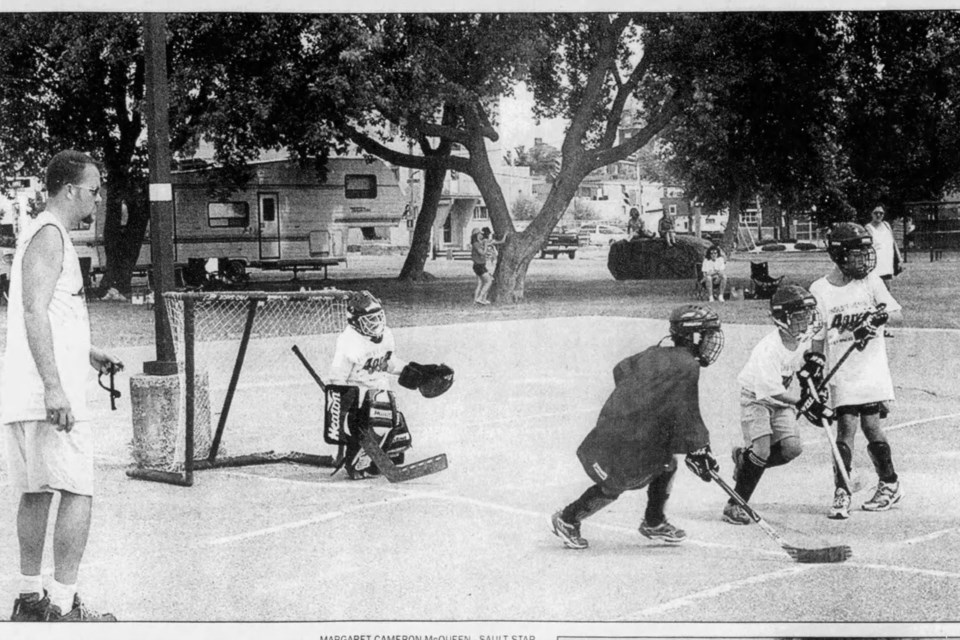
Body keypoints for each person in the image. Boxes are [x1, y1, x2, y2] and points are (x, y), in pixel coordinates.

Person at [2, 150, 123, 622]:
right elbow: (33, 310)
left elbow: (47, 314)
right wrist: (55, 387)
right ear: (70, 189)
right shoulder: (51, 235)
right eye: (93, 190)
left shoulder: (38, 233)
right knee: (78, 491)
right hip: (48, 394)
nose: (97, 198)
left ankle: (31, 599)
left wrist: (85, 352)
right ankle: (64, 604)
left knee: (35, 492)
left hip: (26, 391)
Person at [550, 305, 724, 549]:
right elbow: (687, 412)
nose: (710, 341)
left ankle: (654, 522)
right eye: (706, 335)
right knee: (617, 482)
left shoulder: (657, 352)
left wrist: (640, 401)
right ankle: (568, 519)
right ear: (692, 336)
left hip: (630, 426)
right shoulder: (687, 366)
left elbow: (621, 369)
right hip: (627, 435)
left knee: (667, 463)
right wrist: (699, 449)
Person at [809, 222, 903, 520]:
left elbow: (897, 314)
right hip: (843, 372)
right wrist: (815, 372)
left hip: (871, 368)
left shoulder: (871, 282)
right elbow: (817, 338)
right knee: (846, 427)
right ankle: (842, 490)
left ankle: (889, 483)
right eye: (857, 255)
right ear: (839, 256)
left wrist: (879, 317)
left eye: (866, 254)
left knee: (871, 426)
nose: (865, 261)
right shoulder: (820, 290)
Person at [722, 285, 830, 525]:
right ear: (783, 319)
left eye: (809, 315)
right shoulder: (768, 348)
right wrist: (805, 403)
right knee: (761, 450)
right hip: (757, 399)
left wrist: (814, 370)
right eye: (800, 317)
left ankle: (744, 461)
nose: (807, 321)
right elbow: (770, 391)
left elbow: (804, 367)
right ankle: (735, 504)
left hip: (780, 402)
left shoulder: (801, 340)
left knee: (792, 448)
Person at [326, 291, 451, 479]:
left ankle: (377, 458)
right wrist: (344, 408)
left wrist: (413, 371)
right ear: (355, 321)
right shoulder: (348, 341)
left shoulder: (386, 335)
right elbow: (337, 377)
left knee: (398, 429)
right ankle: (358, 460)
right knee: (380, 413)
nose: (375, 323)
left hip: (382, 393)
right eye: (369, 319)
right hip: (361, 401)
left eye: (377, 317)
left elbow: (387, 362)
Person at [864, 204, 903, 337]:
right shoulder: (868, 228)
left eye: (881, 213)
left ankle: (883, 327)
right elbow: (866, 248)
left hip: (887, 266)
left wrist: (899, 258)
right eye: (876, 213)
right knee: (873, 297)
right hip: (875, 267)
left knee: (885, 297)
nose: (879, 215)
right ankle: (871, 326)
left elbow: (893, 243)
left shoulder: (886, 225)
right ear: (871, 214)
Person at [471, 229, 492, 305]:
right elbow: (482, 253)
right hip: (478, 265)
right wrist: (486, 245)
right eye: (480, 233)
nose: (481, 235)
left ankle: (476, 301)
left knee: (480, 283)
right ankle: (480, 298)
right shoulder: (476, 244)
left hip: (481, 265)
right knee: (489, 281)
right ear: (476, 235)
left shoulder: (479, 242)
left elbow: (495, 241)